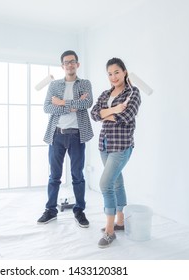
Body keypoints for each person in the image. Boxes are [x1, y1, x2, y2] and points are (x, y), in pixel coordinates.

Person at [37, 50, 94, 228]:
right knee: (54, 176)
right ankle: (51, 211)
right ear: (62, 66)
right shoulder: (54, 85)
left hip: (77, 135)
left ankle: (79, 211)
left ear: (77, 64)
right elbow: (47, 107)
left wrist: (61, 103)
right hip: (57, 135)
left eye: (73, 61)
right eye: (66, 62)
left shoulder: (84, 83)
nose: (70, 65)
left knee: (78, 176)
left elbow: (87, 103)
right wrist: (72, 106)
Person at [90, 57, 141, 248]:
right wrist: (113, 110)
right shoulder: (106, 93)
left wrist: (107, 114)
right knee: (117, 183)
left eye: (116, 72)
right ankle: (120, 222)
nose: (113, 77)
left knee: (105, 184)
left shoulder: (133, 92)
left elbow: (126, 116)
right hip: (104, 144)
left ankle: (110, 232)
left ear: (125, 71)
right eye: (110, 74)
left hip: (122, 145)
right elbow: (94, 114)